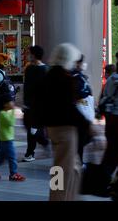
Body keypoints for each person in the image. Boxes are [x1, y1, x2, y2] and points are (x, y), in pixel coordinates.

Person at [36, 43, 90, 201]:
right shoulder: (64, 78)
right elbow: (69, 108)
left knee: (72, 167)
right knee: (62, 169)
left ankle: (65, 196)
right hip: (65, 130)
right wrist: (88, 124)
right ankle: (58, 198)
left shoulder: (49, 75)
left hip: (53, 128)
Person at [0, 95, 26, 181]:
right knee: (12, 157)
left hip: (5, 140)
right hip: (6, 140)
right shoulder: (2, 114)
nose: (12, 103)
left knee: (1, 158)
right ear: (5, 104)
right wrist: (13, 112)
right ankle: (13, 174)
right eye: (10, 102)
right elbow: (11, 123)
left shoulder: (4, 113)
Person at [22, 45, 50, 162]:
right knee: (30, 127)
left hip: (39, 107)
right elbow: (26, 87)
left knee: (32, 129)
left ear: (34, 55)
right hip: (29, 105)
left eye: (29, 53)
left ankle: (30, 153)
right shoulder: (29, 68)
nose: (28, 55)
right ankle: (43, 141)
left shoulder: (45, 70)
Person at [72, 55, 94, 163]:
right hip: (79, 113)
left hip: (84, 112)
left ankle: (77, 159)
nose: (83, 64)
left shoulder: (80, 76)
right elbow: (76, 95)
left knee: (84, 138)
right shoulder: (74, 77)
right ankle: (77, 161)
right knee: (81, 138)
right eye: (81, 62)